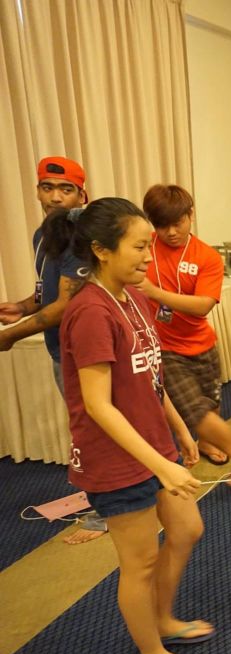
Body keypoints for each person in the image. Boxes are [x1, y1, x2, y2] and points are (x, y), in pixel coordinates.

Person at [55, 198, 216, 654]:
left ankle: (163, 618)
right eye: (140, 246)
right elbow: (99, 405)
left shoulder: (135, 297)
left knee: (187, 530)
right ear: (103, 250)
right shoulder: (89, 312)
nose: (149, 256)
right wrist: (162, 465)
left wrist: (181, 429)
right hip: (115, 459)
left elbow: (151, 377)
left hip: (153, 443)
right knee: (140, 561)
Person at [0, 156, 108, 545]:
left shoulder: (81, 236)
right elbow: (49, 294)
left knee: (97, 427)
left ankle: (109, 509)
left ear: (82, 193)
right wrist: (23, 307)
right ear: (38, 191)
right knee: (86, 427)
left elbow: (67, 304)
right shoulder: (42, 235)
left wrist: (11, 335)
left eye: (66, 189)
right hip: (59, 348)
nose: (56, 197)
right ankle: (105, 496)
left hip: (86, 350)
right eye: (48, 187)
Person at [139, 184, 231, 485]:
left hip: (201, 343)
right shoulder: (143, 246)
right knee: (194, 408)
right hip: (163, 346)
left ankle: (206, 442)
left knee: (210, 401)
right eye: (161, 225)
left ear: (190, 215)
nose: (170, 232)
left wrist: (155, 293)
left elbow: (202, 306)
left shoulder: (205, 256)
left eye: (177, 222)